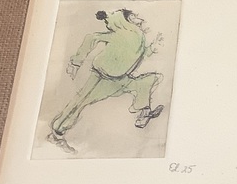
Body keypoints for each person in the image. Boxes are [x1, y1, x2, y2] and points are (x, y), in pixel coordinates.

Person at [47, 8, 164, 153]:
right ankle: (56, 135)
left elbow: (138, 57)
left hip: (120, 79)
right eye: (134, 16)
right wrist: (76, 62)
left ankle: (144, 113)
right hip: (101, 78)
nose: (139, 18)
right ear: (125, 20)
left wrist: (152, 48)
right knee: (80, 101)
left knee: (150, 80)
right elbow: (91, 38)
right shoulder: (120, 34)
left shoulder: (138, 36)